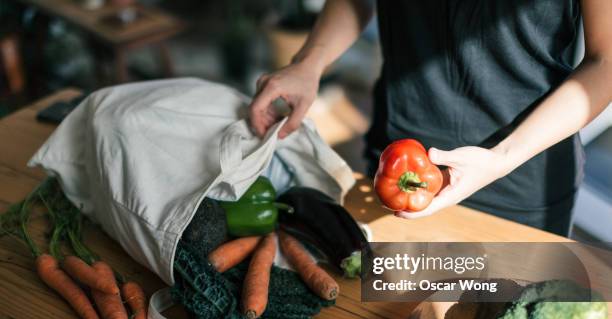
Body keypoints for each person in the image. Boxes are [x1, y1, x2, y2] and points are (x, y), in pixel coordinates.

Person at [249, 0, 612, 236]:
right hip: (394, 167)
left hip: (520, 179)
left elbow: (606, 63)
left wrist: (501, 159)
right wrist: (309, 64)